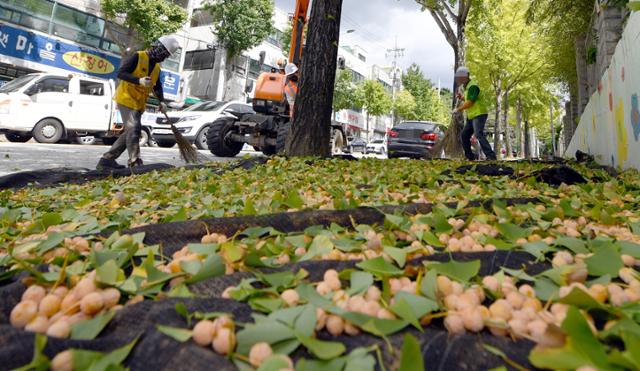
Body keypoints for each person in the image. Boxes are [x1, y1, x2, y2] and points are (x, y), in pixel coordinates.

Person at [96, 35, 180, 170]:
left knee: (131, 131)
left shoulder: (157, 68)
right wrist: (138, 80)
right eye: (163, 53)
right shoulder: (138, 56)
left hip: (138, 103)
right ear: (157, 47)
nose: (163, 57)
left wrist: (162, 102)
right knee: (134, 128)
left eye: (166, 56)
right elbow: (121, 73)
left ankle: (106, 160)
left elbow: (157, 86)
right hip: (126, 98)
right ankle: (135, 163)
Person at [453, 66, 497, 161]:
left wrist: (458, 109)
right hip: (472, 116)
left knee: (478, 134)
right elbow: (469, 99)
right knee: (464, 135)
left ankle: (491, 157)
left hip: (479, 114)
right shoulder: (468, 88)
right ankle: (470, 157)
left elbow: (470, 102)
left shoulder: (473, 86)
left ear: (467, 76)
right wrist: (461, 98)